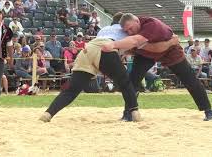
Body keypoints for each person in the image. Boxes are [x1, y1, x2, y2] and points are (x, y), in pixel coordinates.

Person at [39, 12, 179, 122]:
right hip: (105, 49)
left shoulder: (104, 29)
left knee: (71, 90)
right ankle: (134, 112)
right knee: (126, 82)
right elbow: (138, 44)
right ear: (123, 24)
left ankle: (48, 113)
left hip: (87, 50)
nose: (129, 30)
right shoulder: (125, 30)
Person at [101, 13, 212, 121]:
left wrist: (122, 45)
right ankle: (129, 112)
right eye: (127, 31)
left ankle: (209, 111)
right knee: (132, 81)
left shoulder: (152, 25)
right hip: (147, 53)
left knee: (189, 79)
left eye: (131, 28)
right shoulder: (127, 31)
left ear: (137, 21)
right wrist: (130, 48)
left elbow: (158, 48)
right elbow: (131, 47)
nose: (130, 32)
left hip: (169, 50)